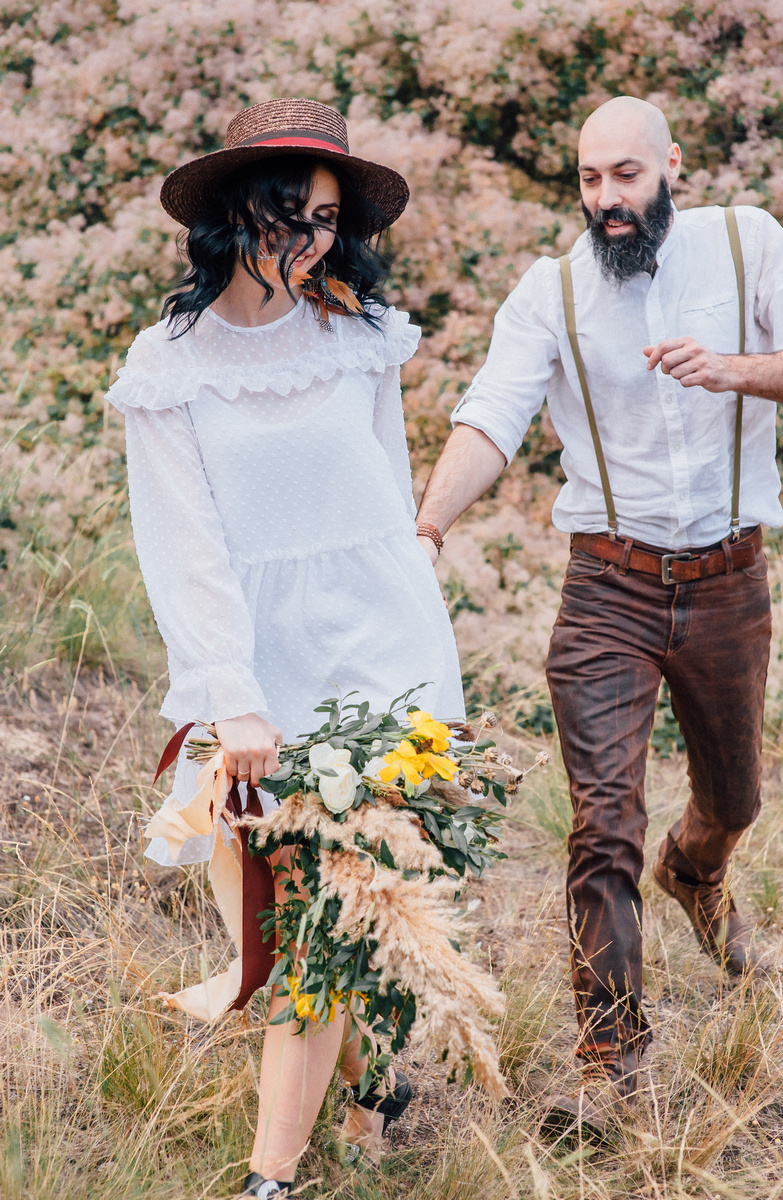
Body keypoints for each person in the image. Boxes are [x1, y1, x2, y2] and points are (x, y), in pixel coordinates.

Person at [413, 95, 783, 1133]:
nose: (608, 199)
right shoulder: (553, 291)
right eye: (590, 180)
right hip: (607, 587)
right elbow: (491, 415)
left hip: (728, 580)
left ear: (672, 164)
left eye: (626, 176)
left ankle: (698, 869)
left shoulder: (746, 242)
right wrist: (429, 526)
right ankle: (609, 1063)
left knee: (738, 801)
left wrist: (738, 371)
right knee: (600, 826)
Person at [107, 98, 464, 1198]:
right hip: (261, 684)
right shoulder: (168, 365)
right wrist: (235, 696)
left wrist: (424, 665)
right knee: (298, 919)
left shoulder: (361, 337)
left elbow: (388, 508)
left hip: (385, 663)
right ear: (232, 215)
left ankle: (273, 1180)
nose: (308, 239)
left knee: (330, 923)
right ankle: (368, 1092)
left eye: (324, 219)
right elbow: (188, 553)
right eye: (286, 215)